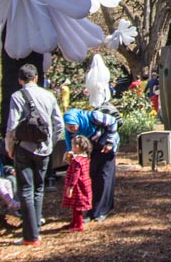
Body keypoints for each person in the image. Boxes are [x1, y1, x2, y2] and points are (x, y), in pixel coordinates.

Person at [6, 63, 64, 246]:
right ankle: (36, 229)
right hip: (44, 149)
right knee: (39, 189)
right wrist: (51, 145)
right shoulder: (49, 96)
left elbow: (12, 126)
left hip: (24, 148)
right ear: (37, 78)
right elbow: (59, 124)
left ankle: (30, 236)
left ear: (19, 80)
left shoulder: (17, 96)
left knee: (25, 190)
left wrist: (10, 148)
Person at [63, 105, 119, 222]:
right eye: (68, 127)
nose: (72, 129)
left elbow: (113, 123)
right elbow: (70, 143)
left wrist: (109, 142)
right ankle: (91, 210)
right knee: (91, 177)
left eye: (73, 126)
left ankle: (103, 210)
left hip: (106, 146)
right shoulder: (70, 130)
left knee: (104, 176)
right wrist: (69, 153)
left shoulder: (93, 117)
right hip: (92, 149)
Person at [62, 135, 93, 232]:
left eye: (72, 145)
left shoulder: (77, 161)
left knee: (77, 206)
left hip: (77, 186)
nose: (71, 147)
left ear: (77, 147)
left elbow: (75, 175)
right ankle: (74, 222)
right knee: (75, 206)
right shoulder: (85, 158)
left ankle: (78, 224)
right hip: (83, 184)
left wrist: (70, 187)